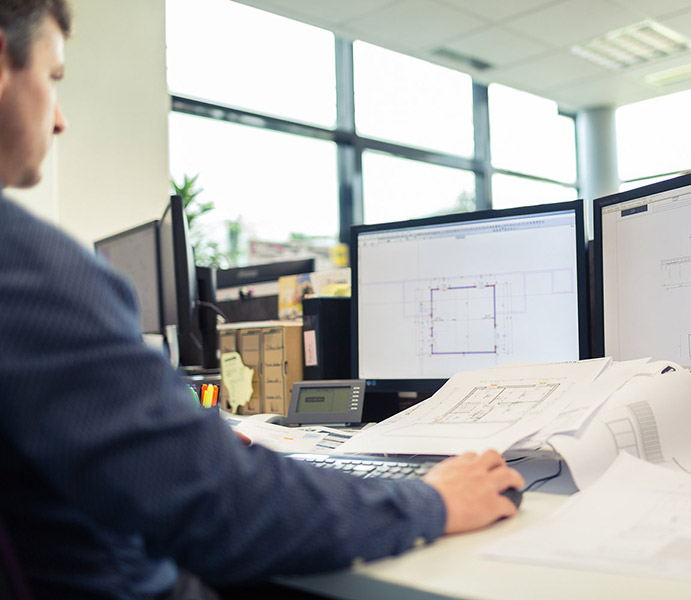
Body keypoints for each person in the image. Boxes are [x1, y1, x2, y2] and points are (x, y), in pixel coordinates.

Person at [0, 2, 525, 598]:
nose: (60, 118)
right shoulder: (29, 271)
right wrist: (430, 500)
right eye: (53, 77)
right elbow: (222, 505)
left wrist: (176, 441)